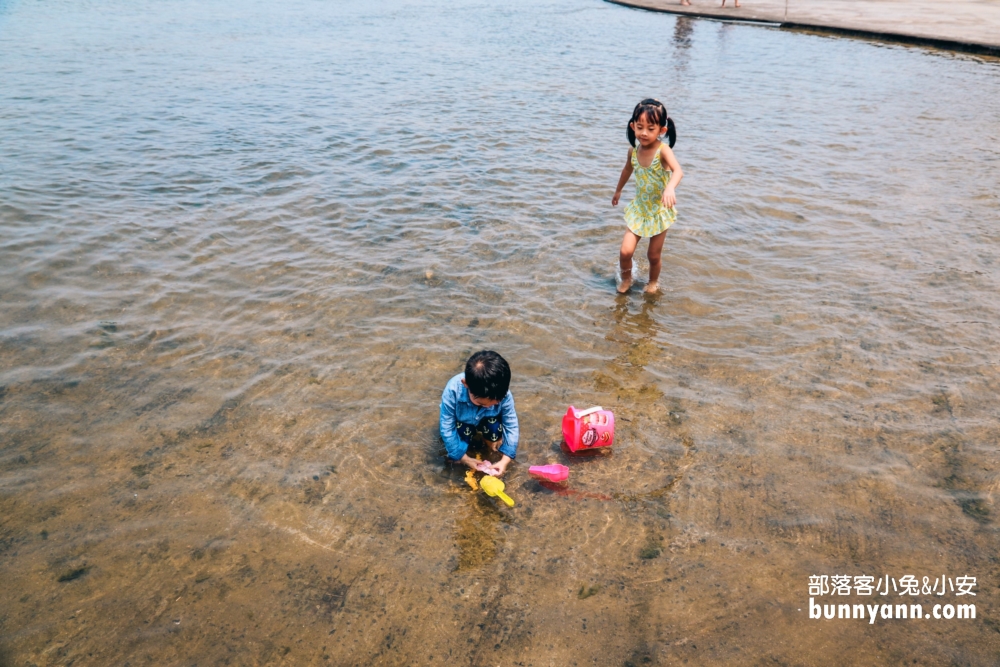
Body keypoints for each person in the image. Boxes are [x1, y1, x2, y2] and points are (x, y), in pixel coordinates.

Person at [611, 99, 684, 294]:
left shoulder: (663, 151)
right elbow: (627, 170)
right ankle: (627, 279)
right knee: (625, 252)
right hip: (640, 209)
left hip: (659, 211)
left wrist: (670, 188)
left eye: (650, 129)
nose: (644, 133)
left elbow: (678, 171)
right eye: (640, 127)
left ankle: (653, 282)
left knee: (653, 255)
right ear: (632, 126)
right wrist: (618, 190)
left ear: (661, 130)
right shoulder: (633, 151)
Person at [439, 350, 519, 477]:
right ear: (466, 384)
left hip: (489, 421)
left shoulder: (503, 394)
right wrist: (464, 458)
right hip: (462, 421)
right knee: (454, 454)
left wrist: (505, 460)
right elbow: (447, 427)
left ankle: (490, 445)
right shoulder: (453, 391)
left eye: (493, 404)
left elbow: (511, 426)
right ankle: (463, 452)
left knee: (494, 429)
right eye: (481, 404)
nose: (488, 407)